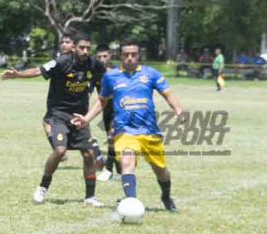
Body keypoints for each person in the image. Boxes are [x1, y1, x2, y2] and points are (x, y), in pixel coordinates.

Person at [72, 37, 184, 212]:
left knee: (161, 171)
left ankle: (166, 196)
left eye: (133, 54)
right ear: (120, 56)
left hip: (149, 131)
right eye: (126, 55)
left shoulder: (150, 73)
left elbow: (168, 93)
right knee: (126, 162)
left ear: (139, 55)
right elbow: (101, 101)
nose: (130, 58)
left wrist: (177, 109)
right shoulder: (110, 77)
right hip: (124, 131)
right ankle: (131, 202)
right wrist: (86, 119)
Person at [0, 32, 106, 207]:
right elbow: (38, 70)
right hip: (59, 114)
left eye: (88, 47)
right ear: (74, 47)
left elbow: (108, 75)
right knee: (60, 151)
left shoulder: (94, 64)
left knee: (88, 154)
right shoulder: (62, 61)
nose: (85, 51)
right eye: (81, 47)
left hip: (80, 116)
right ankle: (42, 187)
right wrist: (17, 74)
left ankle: (90, 197)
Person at [91, 44, 122, 181]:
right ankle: (121, 172)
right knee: (113, 142)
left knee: (112, 137)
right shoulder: (95, 72)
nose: (102, 59)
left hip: (120, 109)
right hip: (106, 110)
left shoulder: (118, 71)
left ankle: (108, 169)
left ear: (110, 56)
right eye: (99, 57)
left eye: (105, 56)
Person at [43, 33, 75, 162]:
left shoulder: (60, 60)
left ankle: (59, 150)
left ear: (74, 44)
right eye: (62, 42)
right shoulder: (81, 60)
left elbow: (40, 71)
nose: (64, 45)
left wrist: (18, 74)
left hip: (58, 103)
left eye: (67, 42)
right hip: (73, 101)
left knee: (47, 123)